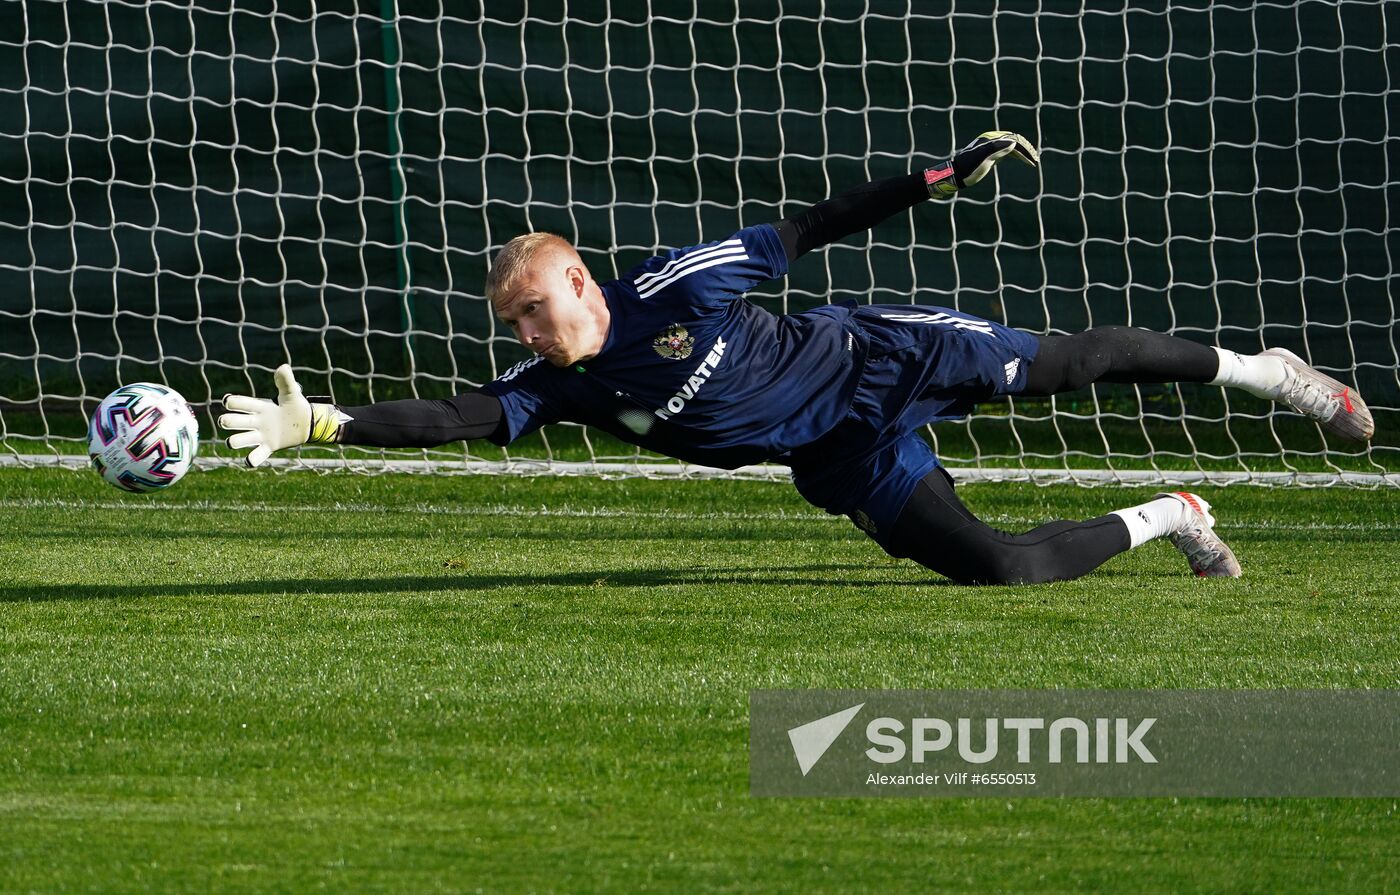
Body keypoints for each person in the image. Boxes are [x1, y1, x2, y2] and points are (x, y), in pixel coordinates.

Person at [219, 132, 1374, 585]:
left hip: (876, 358)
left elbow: (806, 230)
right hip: (838, 453)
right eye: (513, 324)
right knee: (998, 571)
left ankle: (1265, 371)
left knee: (1072, 364)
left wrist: (931, 181)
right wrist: (319, 423)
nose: (524, 334)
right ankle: (1175, 512)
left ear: (576, 279)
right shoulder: (560, 384)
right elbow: (460, 418)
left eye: (531, 309)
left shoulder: (676, 282)